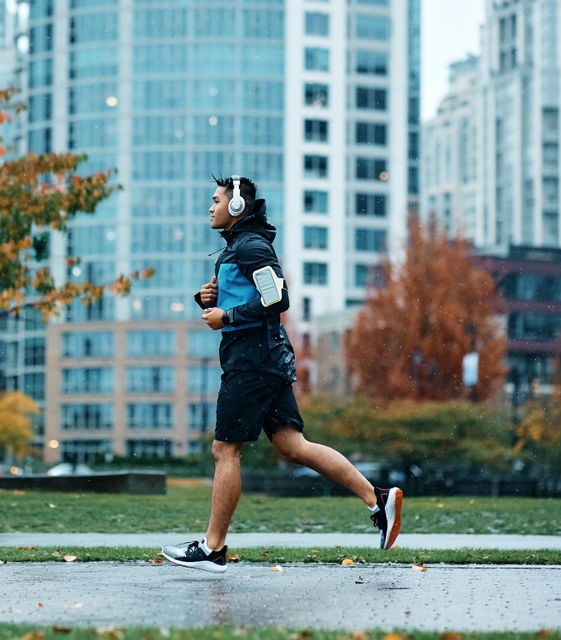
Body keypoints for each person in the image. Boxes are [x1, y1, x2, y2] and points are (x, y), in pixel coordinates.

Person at [162, 175, 403, 574]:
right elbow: (249, 295)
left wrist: (228, 317)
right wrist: (206, 299)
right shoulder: (236, 249)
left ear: (236, 206)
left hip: (252, 362)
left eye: (216, 200)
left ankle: (213, 549)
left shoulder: (252, 245)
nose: (211, 207)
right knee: (292, 445)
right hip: (264, 359)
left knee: (225, 450)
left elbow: (278, 298)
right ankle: (378, 499)